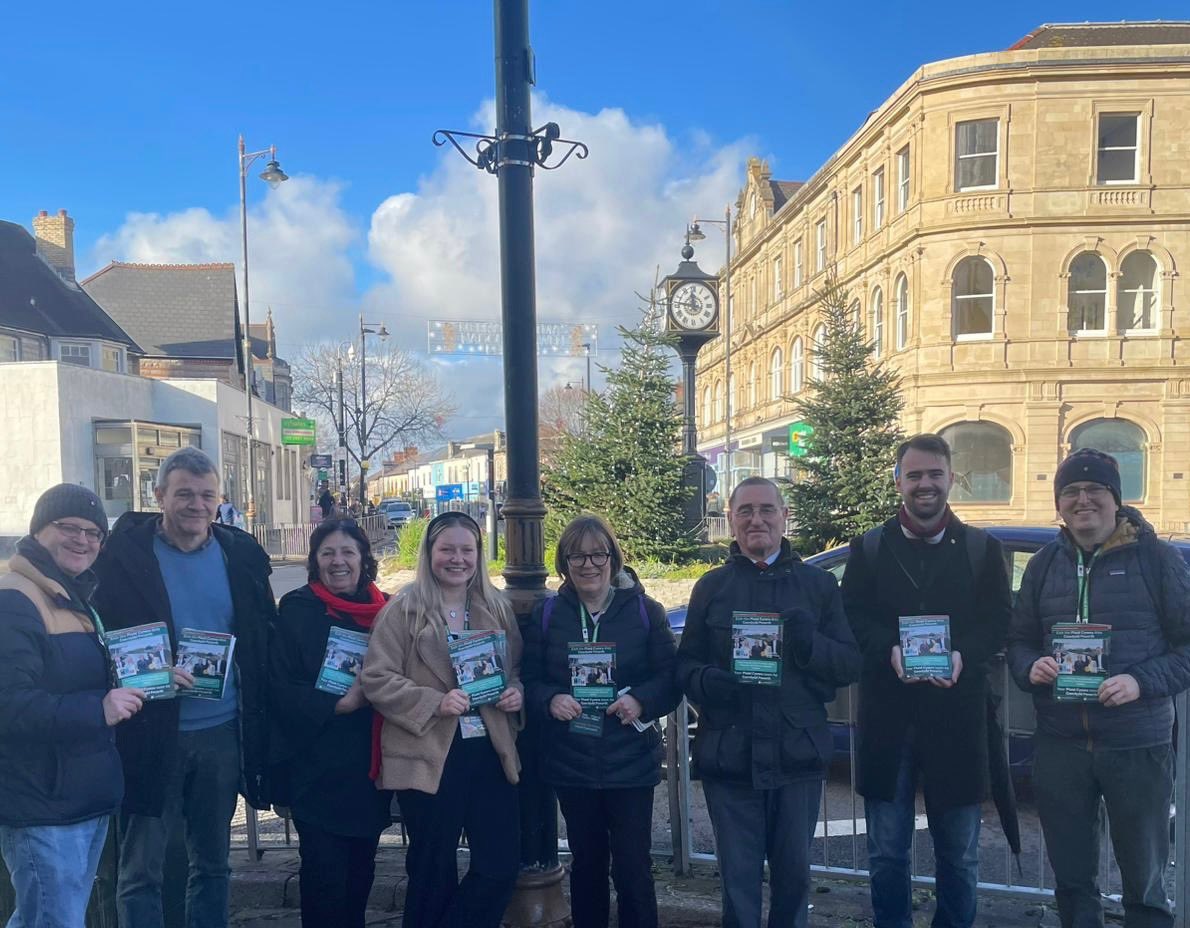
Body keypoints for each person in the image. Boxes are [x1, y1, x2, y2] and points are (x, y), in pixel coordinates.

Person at [92, 446, 277, 928]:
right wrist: (149, 672)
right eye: (184, 494)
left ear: (220, 500)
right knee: (140, 870)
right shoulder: (121, 558)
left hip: (221, 733)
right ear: (159, 496)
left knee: (214, 864)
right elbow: (99, 640)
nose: (196, 505)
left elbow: (262, 637)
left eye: (207, 495)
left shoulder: (240, 554)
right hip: (150, 732)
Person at [1007, 448, 1190, 928]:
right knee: (1071, 880)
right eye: (1070, 491)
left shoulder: (1158, 560)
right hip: (1061, 744)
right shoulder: (1045, 565)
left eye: (1094, 490)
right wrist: (1032, 667)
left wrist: (1140, 681)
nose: (1082, 499)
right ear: (1059, 503)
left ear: (1115, 498)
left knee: (1145, 885)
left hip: (1138, 743)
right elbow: (1021, 641)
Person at [841, 433, 1012, 928]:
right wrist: (887, 649)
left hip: (958, 720)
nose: (925, 485)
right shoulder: (869, 547)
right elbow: (853, 615)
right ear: (898, 481)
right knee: (887, 854)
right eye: (914, 475)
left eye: (934, 474)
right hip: (887, 721)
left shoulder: (983, 549)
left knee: (959, 856)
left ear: (951, 479)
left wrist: (964, 655)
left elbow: (998, 620)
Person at [676, 476, 861, 928]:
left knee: (793, 878)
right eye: (745, 511)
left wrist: (809, 642)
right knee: (737, 882)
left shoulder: (818, 586)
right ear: (731, 520)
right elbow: (683, 667)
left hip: (796, 754)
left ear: (784, 516)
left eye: (766, 509)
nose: (756, 519)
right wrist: (707, 681)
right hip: (730, 756)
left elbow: (849, 665)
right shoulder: (711, 587)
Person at [361, 511, 523, 928]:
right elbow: (376, 678)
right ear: (429, 553)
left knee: (500, 865)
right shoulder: (403, 610)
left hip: (488, 750)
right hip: (430, 753)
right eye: (447, 549)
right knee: (432, 871)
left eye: (466, 550)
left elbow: (516, 669)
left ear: (478, 554)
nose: (457, 559)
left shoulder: (496, 607)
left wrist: (514, 692)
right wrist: (433, 701)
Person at [522, 514, 680, 928]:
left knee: (632, 870)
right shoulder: (547, 614)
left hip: (630, 762)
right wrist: (550, 699)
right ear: (564, 563)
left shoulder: (646, 612)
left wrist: (642, 701)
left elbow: (669, 678)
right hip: (571, 761)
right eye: (577, 556)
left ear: (613, 557)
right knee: (587, 865)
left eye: (597, 554)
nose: (588, 565)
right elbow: (529, 679)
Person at [0, 484, 146, 927]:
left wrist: (153, 678)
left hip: (75, 794)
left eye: (93, 533)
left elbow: (80, 676)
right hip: (42, 800)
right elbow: (9, 705)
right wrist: (97, 710)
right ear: (39, 529)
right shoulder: (15, 598)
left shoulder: (68, 592)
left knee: (43, 918)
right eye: (69, 528)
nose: (82, 540)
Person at [270, 518, 392, 928]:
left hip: (370, 768)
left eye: (347, 552)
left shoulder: (387, 611)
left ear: (363, 559)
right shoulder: (297, 609)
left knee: (361, 875)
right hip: (316, 766)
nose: (338, 561)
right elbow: (280, 685)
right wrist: (337, 705)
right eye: (328, 553)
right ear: (315, 560)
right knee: (325, 879)